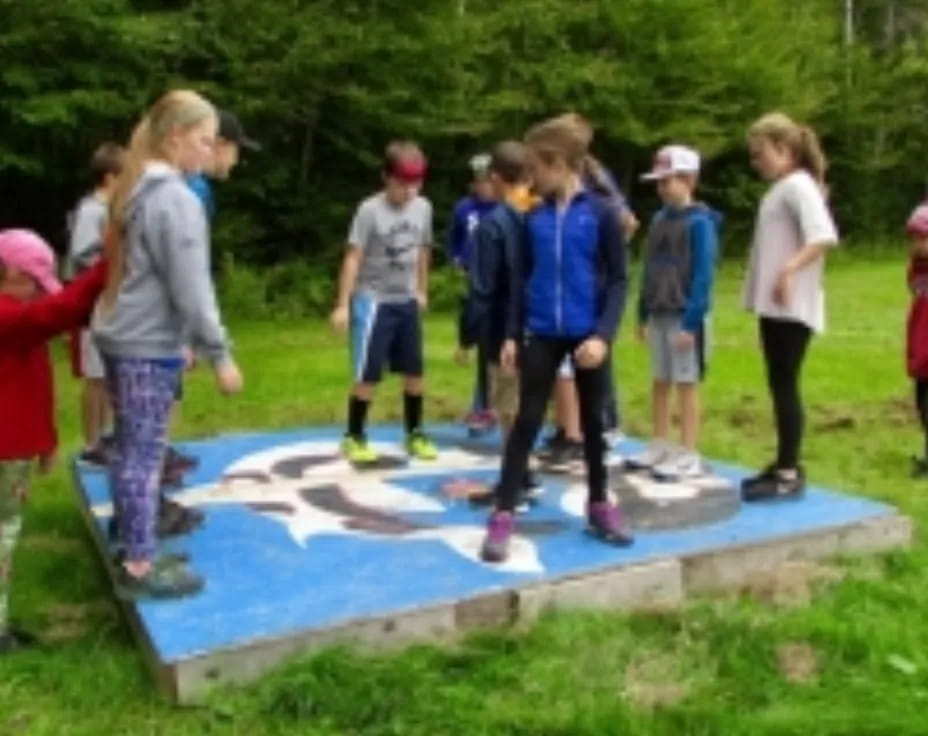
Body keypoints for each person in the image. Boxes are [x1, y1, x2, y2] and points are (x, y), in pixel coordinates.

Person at [92, 89, 243, 599]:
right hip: (143, 345)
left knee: (128, 450)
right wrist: (219, 353)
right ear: (175, 138)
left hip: (124, 336)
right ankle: (139, 567)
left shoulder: (137, 187)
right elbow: (191, 287)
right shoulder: (175, 199)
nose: (208, 151)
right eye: (203, 140)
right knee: (143, 455)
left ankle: (130, 539)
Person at [480, 116, 634, 563]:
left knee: (591, 426)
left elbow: (620, 282)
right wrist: (512, 334)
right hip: (542, 332)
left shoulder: (602, 215)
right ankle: (504, 512)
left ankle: (600, 505)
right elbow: (521, 278)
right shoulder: (534, 218)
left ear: (558, 163)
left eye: (536, 168)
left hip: (587, 335)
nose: (531, 178)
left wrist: (603, 336)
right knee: (526, 420)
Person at [0, 229, 109, 653]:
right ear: (10, 271)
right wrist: (106, 265)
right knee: (4, 532)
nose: (37, 295)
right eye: (33, 282)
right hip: (5, 448)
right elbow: (60, 311)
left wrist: (45, 440)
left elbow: (36, 385)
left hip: (16, 444)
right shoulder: (7, 316)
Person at [740, 112, 838, 501]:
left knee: (785, 385)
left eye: (760, 153)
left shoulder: (799, 186)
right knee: (778, 382)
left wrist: (788, 271)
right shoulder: (782, 188)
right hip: (775, 307)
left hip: (792, 307)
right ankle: (784, 461)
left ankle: (788, 471)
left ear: (785, 149)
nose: (755, 161)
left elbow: (823, 236)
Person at [330, 141, 438, 464]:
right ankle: (354, 434)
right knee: (368, 373)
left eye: (416, 184)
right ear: (385, 178)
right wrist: (342, 304)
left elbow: (423, 249)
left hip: (405, 298)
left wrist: (422, 289)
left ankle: (415, 432)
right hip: (373, 300)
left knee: (414, 371)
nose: (409, 191)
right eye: (402, 184)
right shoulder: (369, 210)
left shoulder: (423, 207)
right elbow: (353, 257)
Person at [627, 145, 719, 479]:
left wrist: (692, 321)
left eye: (670, 180)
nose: (663, 188)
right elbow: (649, 268)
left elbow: (704, 275)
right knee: (660, 380)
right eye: (659, 182)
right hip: (659, 312)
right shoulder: (658, 220)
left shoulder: (700, 223)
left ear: (689, 179)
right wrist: (641, 313)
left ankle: (689, 450)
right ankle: (660, 443)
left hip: (685, 317)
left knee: (687, 382)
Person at [458, 140, 541, 507]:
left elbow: (482, 289)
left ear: (495, 177)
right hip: (540, 328)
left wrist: (466, 335)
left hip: (502, 330)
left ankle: (515, 482)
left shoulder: (492, 226)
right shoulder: (540, 215)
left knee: (507, 409)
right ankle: (526, 473)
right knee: (526, 403)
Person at [66, 142, 125, 467]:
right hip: (93, 307)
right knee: (96, 377)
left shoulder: (113, 208)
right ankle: (92, 442)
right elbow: (82, 255)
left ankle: (107, 437)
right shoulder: (92, 210)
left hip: (111, 303)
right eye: (124, 174)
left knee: (109, 374)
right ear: (108, 177)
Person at [450, 154, 499, 436]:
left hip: (497, 284)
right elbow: (454, 237)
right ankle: (482, 405)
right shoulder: (464, 208)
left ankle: (494, 407)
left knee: (497, 347)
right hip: (473, 279)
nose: (483, 188)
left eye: (487, 181)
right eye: (478, 182)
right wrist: (457, 257)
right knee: (479, 339)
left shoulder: (505, 209)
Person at [905, 202, 928, 477]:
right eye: (913, 239)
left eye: (923, 238)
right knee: (922, 404)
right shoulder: (918, 269)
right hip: (921, 345)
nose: (917, 245)